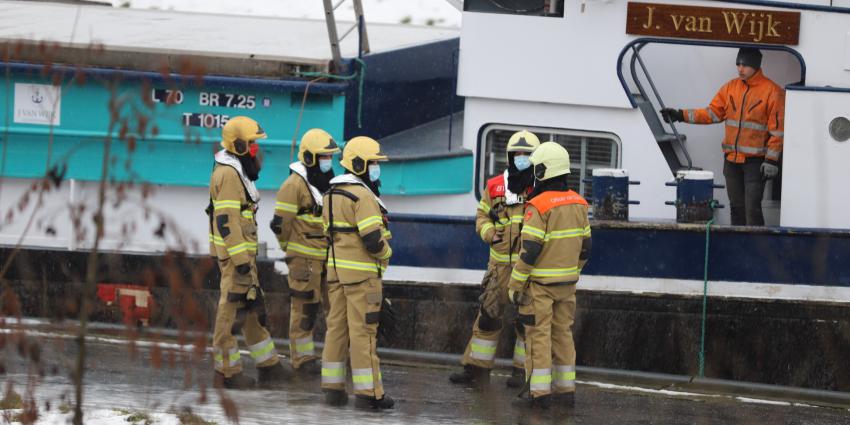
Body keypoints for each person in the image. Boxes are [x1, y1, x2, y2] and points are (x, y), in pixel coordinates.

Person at [449, 130, 540, 388]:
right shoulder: (495, 186)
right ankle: (476, 369)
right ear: (510, 156)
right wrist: (489, 233)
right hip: (499, 266)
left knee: (527, 322)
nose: (522, 158)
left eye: (527, 155)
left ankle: (523, 373)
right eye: (518, 154)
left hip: (528, 268)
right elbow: (482, 217)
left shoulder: (541, 186)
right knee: (488, 316)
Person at [207, 116, 292, 389]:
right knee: (229, 314)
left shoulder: (236, 171)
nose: (257, 150)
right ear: (240, 146)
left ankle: (269, 366)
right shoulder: (229, 174)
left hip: (243, 256)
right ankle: (227, 373)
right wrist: (242, 261)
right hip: (236, 258)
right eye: (253, 144)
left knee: (250, 309)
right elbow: (227, 222)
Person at [508, 142, 591, 411]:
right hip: (567, 286)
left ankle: (539, 395)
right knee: (563, 336)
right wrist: (573, 272)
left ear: (543, 170)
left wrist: (515, 284)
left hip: (540, 288)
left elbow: (529, 251)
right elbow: (585, 247)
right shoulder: (579, 203)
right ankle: (566, 391)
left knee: (539, 337)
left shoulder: (538, 205)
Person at [661, 47, 785, 226]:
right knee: (736, 207)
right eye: (738, 64)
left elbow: (777, 130)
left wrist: (771, 160)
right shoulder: (730, 88)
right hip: (731, 161)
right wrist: (680, 115)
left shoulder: (772, 91)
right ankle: (737, 247)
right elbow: (711, 113)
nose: (740, 68)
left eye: (745, 65)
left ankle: (755, 249)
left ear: (756, 66)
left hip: (755, 163)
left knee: (753, 209)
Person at [320, 136, 395, 409]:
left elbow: (326, 234)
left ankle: (333, 388)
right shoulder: (362, 195)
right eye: (374, 163)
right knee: (364, 333)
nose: (377, 168)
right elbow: (373, 239)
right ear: (360, 164)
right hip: (362, 277)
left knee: (336, 330)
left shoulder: (330, 194)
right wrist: (387, 254)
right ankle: (369, 394)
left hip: (335, 274)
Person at [271, 128, 340, 375]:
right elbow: (281, 224)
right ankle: (302, 360)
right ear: (310, 158)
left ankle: (335, 357)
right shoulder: (293, 185)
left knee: (334, 308)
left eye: (330, 157)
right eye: (324, 157)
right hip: (304, 260)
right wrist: (292, 251)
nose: (328, 162)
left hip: (326, 257)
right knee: (304, 309)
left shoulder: (326, 183)